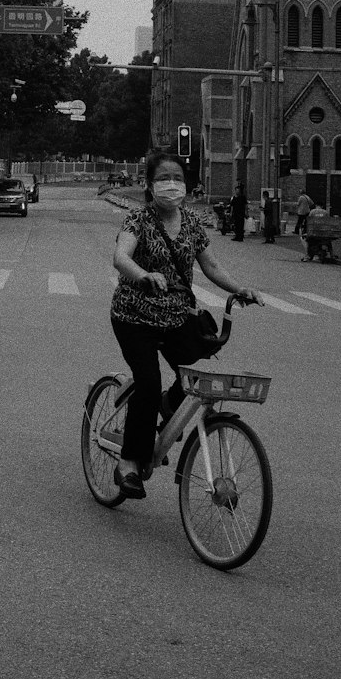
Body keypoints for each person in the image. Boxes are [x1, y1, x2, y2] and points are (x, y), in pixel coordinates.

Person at [110, 147, 262, 499]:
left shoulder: (192, 223)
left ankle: (167, 407)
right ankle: (128, 463)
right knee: (148, 383)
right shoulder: (138, 219)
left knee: (198, 374)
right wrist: (144, 274)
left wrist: (240, 289)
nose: (172, 185)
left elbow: (210, 267)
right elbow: (121, 257)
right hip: (134, 317)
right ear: (150, 185)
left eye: (177, 178)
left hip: (176, 317)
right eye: (164, 178)